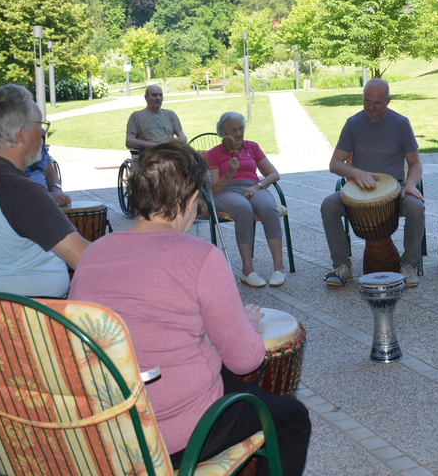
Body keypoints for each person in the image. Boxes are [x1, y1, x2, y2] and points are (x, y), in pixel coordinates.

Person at [68, 142, 311, 475]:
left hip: (109, 429)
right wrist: (247, 323)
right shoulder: (201, 257)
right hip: (177, 435)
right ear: (192, 200)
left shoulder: (93, 253)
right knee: (294, 419)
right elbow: (246, 359)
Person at [0, 84, 89, 298]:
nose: (43, 131)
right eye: (40, 125)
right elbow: (85, 259)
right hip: (21, 317)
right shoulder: (20, 191)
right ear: (22, 134)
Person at [320, 78, 425, 288]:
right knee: (328, 205)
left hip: (394, 192)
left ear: (388, 100)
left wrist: (410, 184)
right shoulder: (353, 123)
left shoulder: (401, 124)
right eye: (366, 101)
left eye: (377, 102)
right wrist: (356, 173)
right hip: (358, 193)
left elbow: (415, 163)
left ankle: (408, 265)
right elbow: (334, 164)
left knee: (415, 207)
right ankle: (343, 266)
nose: (370, 107)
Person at [205, 112, 285, 287]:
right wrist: (231, 174)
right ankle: (247, 270)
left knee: (268, 207)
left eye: (241, 128)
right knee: (244, 209)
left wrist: (257, 186)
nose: (239, 133)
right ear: (221, 132)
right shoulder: (213, 154)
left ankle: (279, 268)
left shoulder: (252, 147)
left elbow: (274, 174)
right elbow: (214, 188)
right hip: (226, 191)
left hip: (253, 187)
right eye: (233, 130)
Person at [126, 84, 186, 157]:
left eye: (160, 95)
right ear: (146, 98)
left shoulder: (170, 115)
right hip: (149, 155)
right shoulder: (136, 116)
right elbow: (129, 141)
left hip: (170, 153)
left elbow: (183, 137)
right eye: (154, 95)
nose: (158, 98)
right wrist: (156, 146)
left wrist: (172, 145)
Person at [24, 138, 71, 206]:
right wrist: (45, 197)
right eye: (38, 127)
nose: (43, 131)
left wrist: (56, 190)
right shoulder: (10, 148)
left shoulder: (40, 142)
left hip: (44, 199)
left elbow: (50, 172)